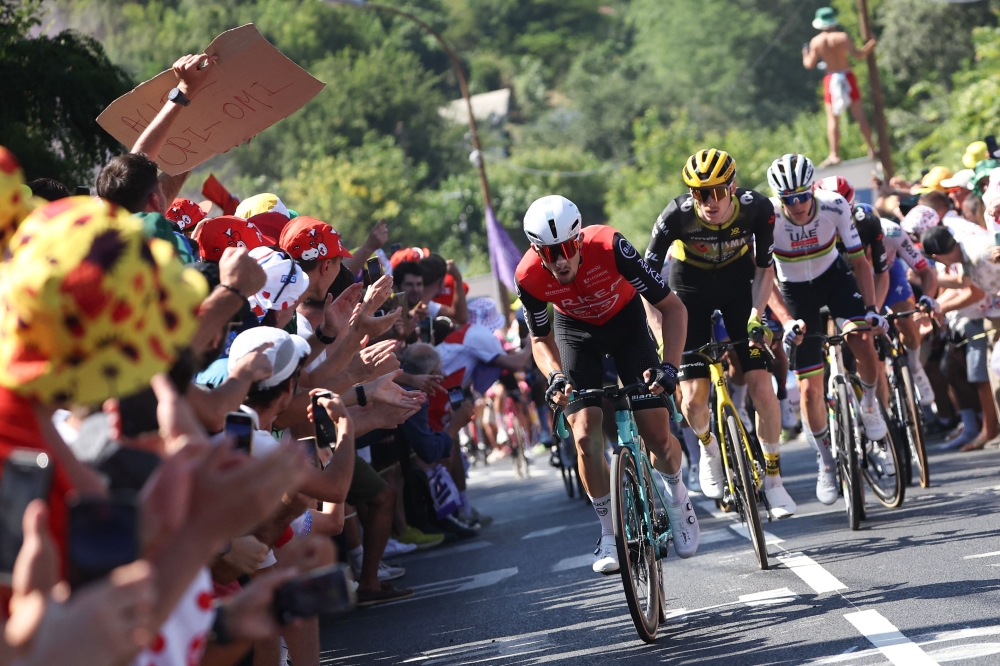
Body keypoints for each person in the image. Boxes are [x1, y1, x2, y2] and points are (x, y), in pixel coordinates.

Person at [515, 194, 700, 573]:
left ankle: (679, 498)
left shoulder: (611, 246)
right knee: (584, 435)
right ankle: (609, 533)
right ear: (537, 251)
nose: (561, 260)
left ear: (579, 240)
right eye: (550, 253)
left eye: (567, 248)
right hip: (576, 334)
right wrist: (554, 376)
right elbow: (539, 338)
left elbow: (673, 308)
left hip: (627, 326)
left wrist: (670, 366)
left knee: (657, 434)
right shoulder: (527, 276)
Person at [644, 149, 796, 518]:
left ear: (733, 187)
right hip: (688, 290)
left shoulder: (757, 209)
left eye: (717, 191)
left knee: (761, 385)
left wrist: (757, 316)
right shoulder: (674, 216)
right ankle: (710, 450)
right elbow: (644, 282)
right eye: (699, 193)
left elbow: (764, 270)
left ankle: (774, 481)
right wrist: (661, 333)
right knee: (694, 398)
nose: (709, 202)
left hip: (737, 286)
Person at [764, 153, 890, 504]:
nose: (799, 204)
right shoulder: (769, 217)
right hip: (794, 292)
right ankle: (826, 461)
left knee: (860, 337)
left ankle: (868, 404)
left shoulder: (834, 206)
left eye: (804, 195)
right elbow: (765, 278)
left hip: (833, 278)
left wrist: (871, 309)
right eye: (789, 199)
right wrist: (786, 320)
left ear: (812, 190)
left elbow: (859, 262)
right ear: (780, 198)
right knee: (808, 390)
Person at [815, 176, 940, 409]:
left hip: (887, 277)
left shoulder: (890, 233)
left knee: (904, 317)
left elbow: (926, 272)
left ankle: (914, 365)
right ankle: (873, 405)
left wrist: (927, 298)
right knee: (862, 343)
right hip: (852, 282)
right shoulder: (822, 233)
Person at [921, 225, 1000, 450]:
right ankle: (990, 429)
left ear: (937, 255)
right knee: (995, 368)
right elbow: (964, 283)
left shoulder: (978, 252)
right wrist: (926, 280)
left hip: (994, 315)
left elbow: (990, 255)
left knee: (993, 369)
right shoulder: (965, 256)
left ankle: (990, 429)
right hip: (993, 314)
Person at [803, 6, 878, 165]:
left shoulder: (816, 41)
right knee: (859, 115)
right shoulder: (842, 37)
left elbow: (809, 64)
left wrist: (805, 54)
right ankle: (871, 148)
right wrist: (871, 44)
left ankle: (834, 154)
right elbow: (858, 55)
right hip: (847, 76)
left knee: (833, 119)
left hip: (831, 78)